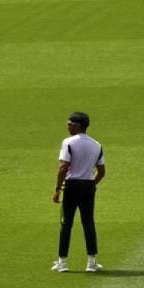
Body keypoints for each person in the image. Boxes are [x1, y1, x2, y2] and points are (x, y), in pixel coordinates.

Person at [52, 112, 105, 273]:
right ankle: (91, 262)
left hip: (72, 185)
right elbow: (101, 171)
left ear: (77, 125)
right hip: (88, 185)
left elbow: (63, 167)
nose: (67, 127)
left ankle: (62, 262)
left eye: (70, 124)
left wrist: (57, 189)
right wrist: (91, 184)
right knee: (88, 222)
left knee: (66, 223)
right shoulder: (96, 144)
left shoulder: (68, 142)